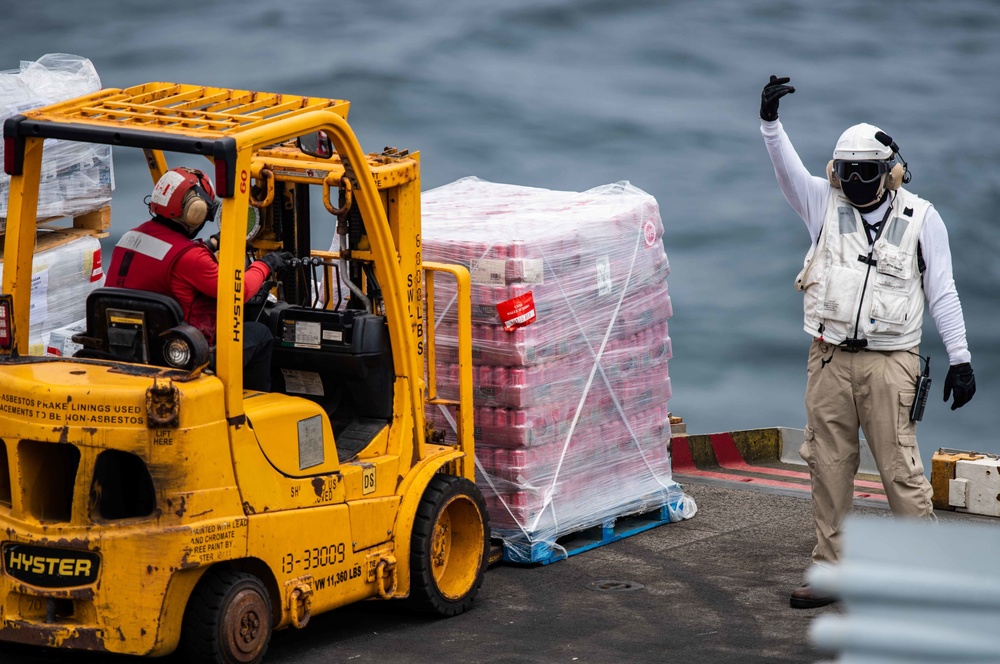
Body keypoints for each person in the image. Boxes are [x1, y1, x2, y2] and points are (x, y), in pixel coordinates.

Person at [759, 76, 977, 609]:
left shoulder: (923, 219)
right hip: (829, 358)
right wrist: (769, 123)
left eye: (868, 171)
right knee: (827, 469)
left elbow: (942, 292)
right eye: (847, 170)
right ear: (835, 171)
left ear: (892, 172)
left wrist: (961, 359)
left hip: (891, 364)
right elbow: (786, 170)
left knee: (901, 472)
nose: (856, 179)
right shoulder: (821, 203)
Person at [105, 166, 294, 391]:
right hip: (180, 355)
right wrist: (267, 264)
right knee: (260, 334)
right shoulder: (191, 258)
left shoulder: (131, 236)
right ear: (196, 210)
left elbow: (169, 255)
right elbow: (239, 291)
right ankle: (245, 410)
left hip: (130, 347)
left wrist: (212, 243)